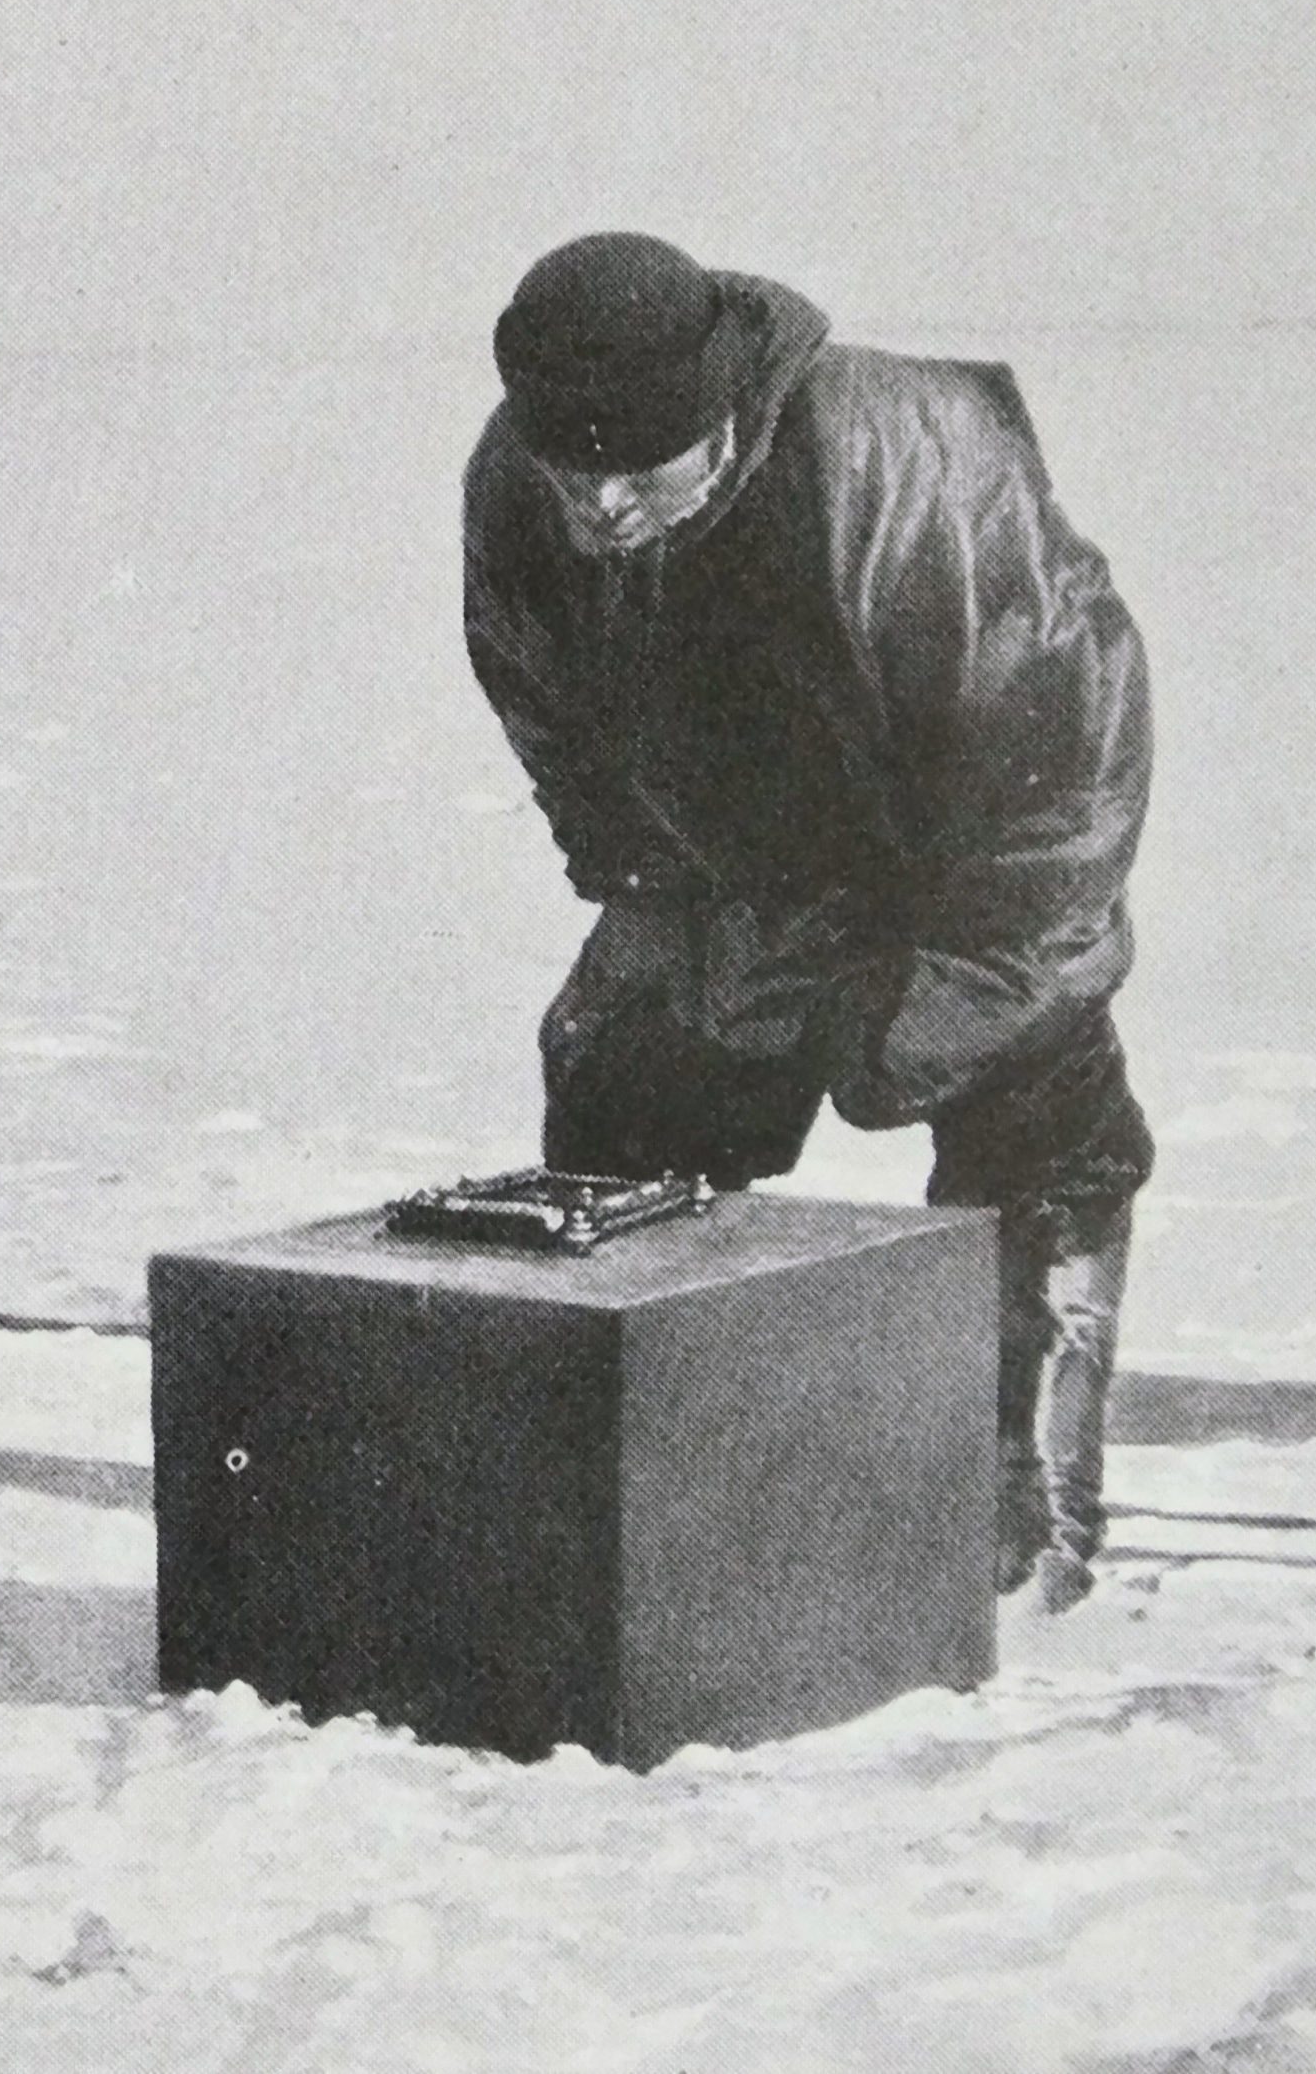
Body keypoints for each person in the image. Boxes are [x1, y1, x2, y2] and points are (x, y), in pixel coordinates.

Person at [461, 232, 1151, 1609]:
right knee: (617, 1103)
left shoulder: (904, 468)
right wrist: (651, 901)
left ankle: (1020, 1526)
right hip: (741, 859)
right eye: (572, 472)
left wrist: (972, 982)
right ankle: (661, 1496)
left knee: (1040, 1121)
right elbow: (552, 714)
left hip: (972, 844)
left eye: (638, 469)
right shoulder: (519, 487)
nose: (599, 505)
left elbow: (1055, 753)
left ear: (721, 418)